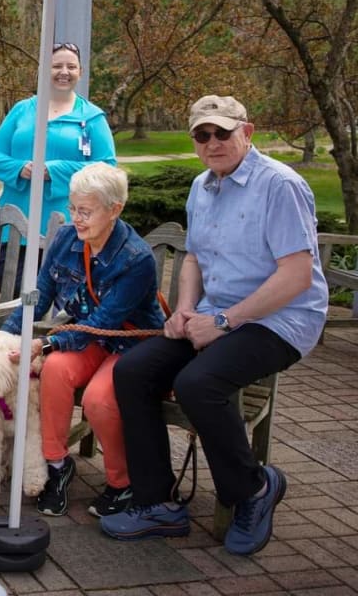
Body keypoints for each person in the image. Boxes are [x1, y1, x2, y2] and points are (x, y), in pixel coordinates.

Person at [102, 96, 328, 555]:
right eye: (202, 135)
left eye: (222, 132)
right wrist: (185, 309)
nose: (213, 143)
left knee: (197, 383)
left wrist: (223, 321)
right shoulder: (201, 188)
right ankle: (157, 503)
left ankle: (253, 490)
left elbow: (296, 276)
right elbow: (196, 260)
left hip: (281, 319)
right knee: (133, 371)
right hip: (215, 313)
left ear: (247, 132)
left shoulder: (280, 186)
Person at [2, 162, 165, 518]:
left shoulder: (136, 259)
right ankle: (57, 466)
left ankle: (122, 483)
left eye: (86, 211)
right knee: (55, 370)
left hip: (130, 342)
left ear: (115, 209)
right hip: (85, 335)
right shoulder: (64, 237)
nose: (76, 218)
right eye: (74, 208)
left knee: (98, 400)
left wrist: (44, 344)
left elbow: (103, 322)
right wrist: (8, 336)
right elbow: (40, 293)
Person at [0, 42, 115, 293]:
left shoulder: (91, 118)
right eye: (56, 66)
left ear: (81, 72)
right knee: (13, 298)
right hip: (15, 229)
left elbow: (107, 166)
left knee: (57, 305)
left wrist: (55, 170)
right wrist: (19, 168)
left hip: (68, 228)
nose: (63, 72)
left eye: (71, 66)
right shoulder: (22, 110)